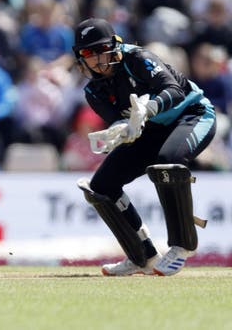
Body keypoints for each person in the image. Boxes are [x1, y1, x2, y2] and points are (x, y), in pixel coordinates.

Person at [72, 18, 216, 276]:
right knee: (102, 186)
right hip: (150, 131)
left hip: (191, 115)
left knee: (167, 162)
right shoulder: (93, 91)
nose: (96, 59)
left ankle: (182, 245)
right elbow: (121, 121)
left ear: (115, 45)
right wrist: (118, 132)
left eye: (101, 49)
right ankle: (141, 256)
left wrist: (150, 108)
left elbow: (174, 90)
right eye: (87, 53)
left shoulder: (137, 58)